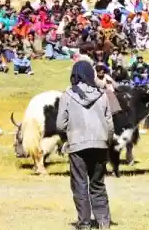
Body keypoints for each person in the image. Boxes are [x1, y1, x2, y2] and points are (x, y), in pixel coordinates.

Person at [56, 61, 113, 230]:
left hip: (77, 145)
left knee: (80, 184)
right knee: (98, 184)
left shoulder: (67, 94)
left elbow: (60, 124)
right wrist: (106, 142)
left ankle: (85, 223)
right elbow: (110, 124)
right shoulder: (102, 94)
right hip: (100, 144)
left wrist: (68, 135)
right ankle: (104, 222)